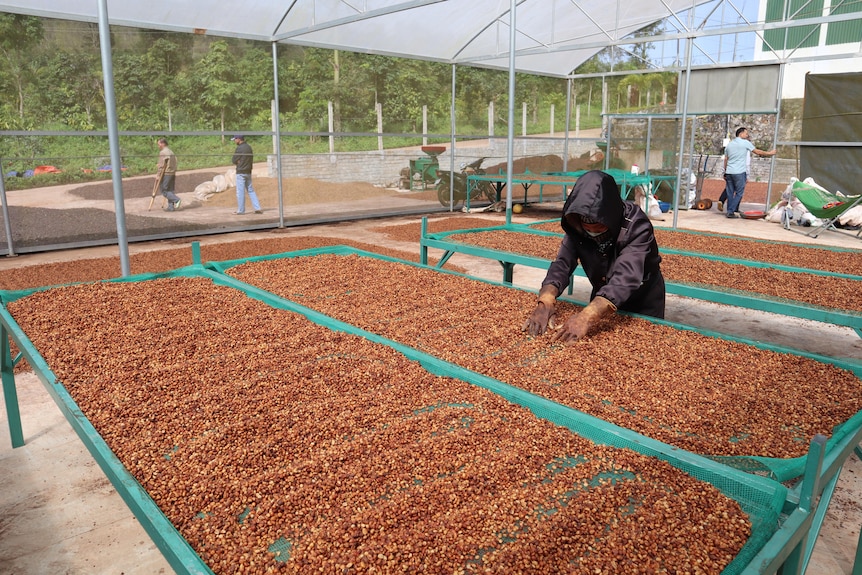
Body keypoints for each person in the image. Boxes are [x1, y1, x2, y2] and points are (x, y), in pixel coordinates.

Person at [522, 170, 666, 342]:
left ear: (610, 216)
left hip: (642, 300)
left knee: (643, 346)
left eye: (599, 226)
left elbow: (625, 279)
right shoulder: (576, 226)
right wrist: (546, 299)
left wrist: (587, 316)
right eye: (586, 226)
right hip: (602, 295)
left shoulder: (637, 226)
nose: (592, 232)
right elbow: (562, 263)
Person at [723, 127, 775, 218]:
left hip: (729, 172)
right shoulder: (745, 143)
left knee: (730, 192)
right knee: (739, 193)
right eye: (746, 133)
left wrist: (725, 171)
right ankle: (731, 211)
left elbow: (726, 160)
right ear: (741, 134)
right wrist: (770, 153)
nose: (747, 135)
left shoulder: (729, 145)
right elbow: (757, 151)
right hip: (739, 172)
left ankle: (729, 211)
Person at [231, 135, 262, 215]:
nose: (234, 141)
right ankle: (257, 208)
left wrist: (238, 161)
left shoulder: (239, 148)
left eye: (235, 139)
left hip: (241, 172)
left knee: (240, 192)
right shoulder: (249, 147)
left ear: (239, 139)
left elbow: (234, 160)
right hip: (248, 171)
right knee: (251, 190)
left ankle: (241, 210)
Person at [157, 138, 181, 211]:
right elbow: (176, 162)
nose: (158, 146)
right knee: (170, 190)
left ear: (163, 143)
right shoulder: (171, 152)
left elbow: (161, 165)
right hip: (172, 173)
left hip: (166, 173)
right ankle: (171, 207)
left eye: (159, 144)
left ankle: (176, 200)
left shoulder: (163, 152)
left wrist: (158, 175)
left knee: (164, 190)